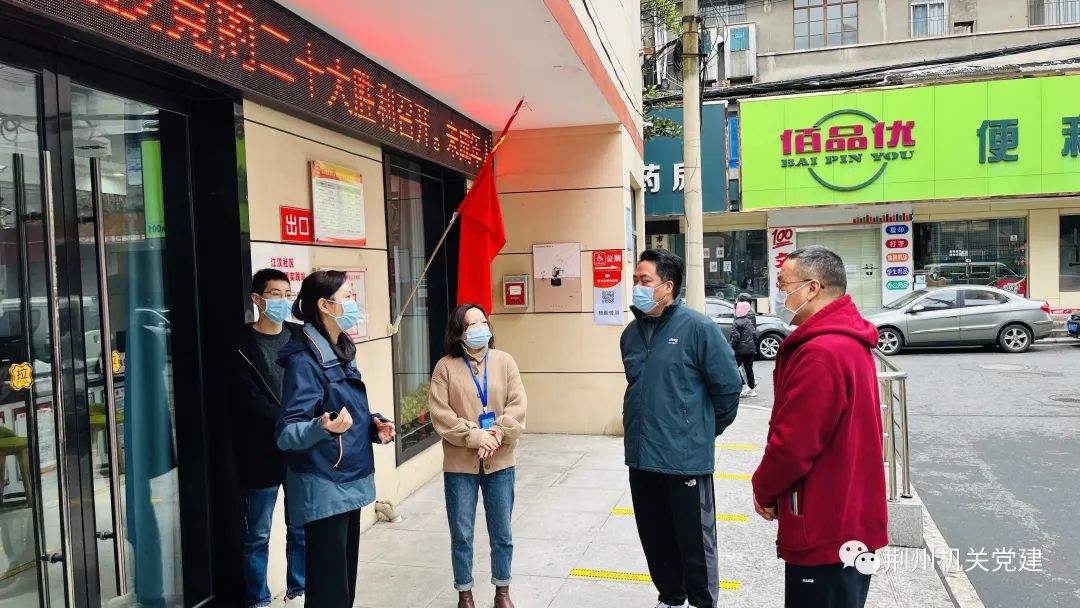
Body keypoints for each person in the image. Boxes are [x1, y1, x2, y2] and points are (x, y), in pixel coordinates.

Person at [751, 245, 888, 608]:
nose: (780, 293)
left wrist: (764, 489)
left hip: (826, 523)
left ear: (812, 288)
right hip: (849, 515)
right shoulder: (847, 341)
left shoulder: (821, 352)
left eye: (784, 284)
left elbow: (793, 444)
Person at [620, 249, 743, 608]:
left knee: (695, 543)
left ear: (667, 286)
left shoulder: (697, 328)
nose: (637, 286)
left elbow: (728, 388)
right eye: (635, 280)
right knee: (655, 536)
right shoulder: (630, 334)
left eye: (645, 280)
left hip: (685, 460)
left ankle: (702, 602)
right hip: (642, 457)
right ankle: (671, 598)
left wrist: (701, 431)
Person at [275, 271, 396, 608]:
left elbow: (344, 411)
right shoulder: (304, 361)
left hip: (347, 478)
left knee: (344, 586)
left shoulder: (341, 349)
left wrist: (373, 426)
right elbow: (287, 432)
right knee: (330, 591)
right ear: (324, 306)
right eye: (347, 296)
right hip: (323, 482)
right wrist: (323, 428)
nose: (354, 303)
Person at [428, 303, 527, 608]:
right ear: (459, 332)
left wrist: (495, 433)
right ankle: (465, 593)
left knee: (502, 532)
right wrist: (475, 436)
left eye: (483, 322)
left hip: (501, 461)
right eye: (472, 324)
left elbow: (517, 405)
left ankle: (502, 592)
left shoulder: (505, 361)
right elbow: (440, 414)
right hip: (460, 465)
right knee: (462, 533)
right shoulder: (445, 367)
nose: (480, 328)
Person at [234, 269, 305, 607]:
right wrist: (288, 420)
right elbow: (246, 400)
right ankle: (258, 598)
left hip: (299, 447)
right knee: (258, 533)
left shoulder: (300, 336)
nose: (283, 301)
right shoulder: (240, 344)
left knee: (301, 525)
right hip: (260, 451)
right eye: (275, 294)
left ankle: (298, 589)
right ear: (257, 299)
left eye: (288, 294)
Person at [729, 301, 758, 398]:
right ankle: (752, 389)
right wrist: (753, 346)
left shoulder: (736, 323)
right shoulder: (748, 321)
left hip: (740, 351)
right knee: (749, 369)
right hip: (750, 350)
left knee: (733, 368)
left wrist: (730, 347)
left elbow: (735, 338)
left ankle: (739, 387)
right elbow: (754, 335)